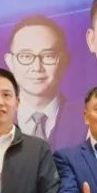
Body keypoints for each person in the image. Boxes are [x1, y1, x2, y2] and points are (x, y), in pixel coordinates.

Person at [6, 16, 84, 149]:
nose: (37, 67)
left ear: (65, 61)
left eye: (48, 56)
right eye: (25, 56)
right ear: (10, 62)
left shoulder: (86, 121)